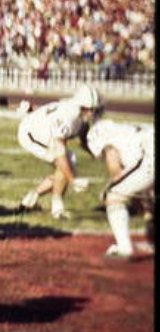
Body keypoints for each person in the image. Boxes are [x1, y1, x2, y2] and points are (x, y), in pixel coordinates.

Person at [16, 84, 103, 220]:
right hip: (32, 134)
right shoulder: (68, 117)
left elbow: (82, 139)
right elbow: (60, 153)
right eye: (88, 109)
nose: (91, 113)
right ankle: (57, 209)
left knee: (68, 166)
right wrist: (73, 181)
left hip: (44, 132)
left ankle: (31, 198)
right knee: (66, 165)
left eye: (93, 110)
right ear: (81, 106)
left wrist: (96, 153)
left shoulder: (78, 115)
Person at [85, 119, 154, 258]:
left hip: (149, 154)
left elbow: (115, 167)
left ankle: (124, 249)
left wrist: (111, 188)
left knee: (113, 196)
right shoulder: (127, 131)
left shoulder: (105, 139)